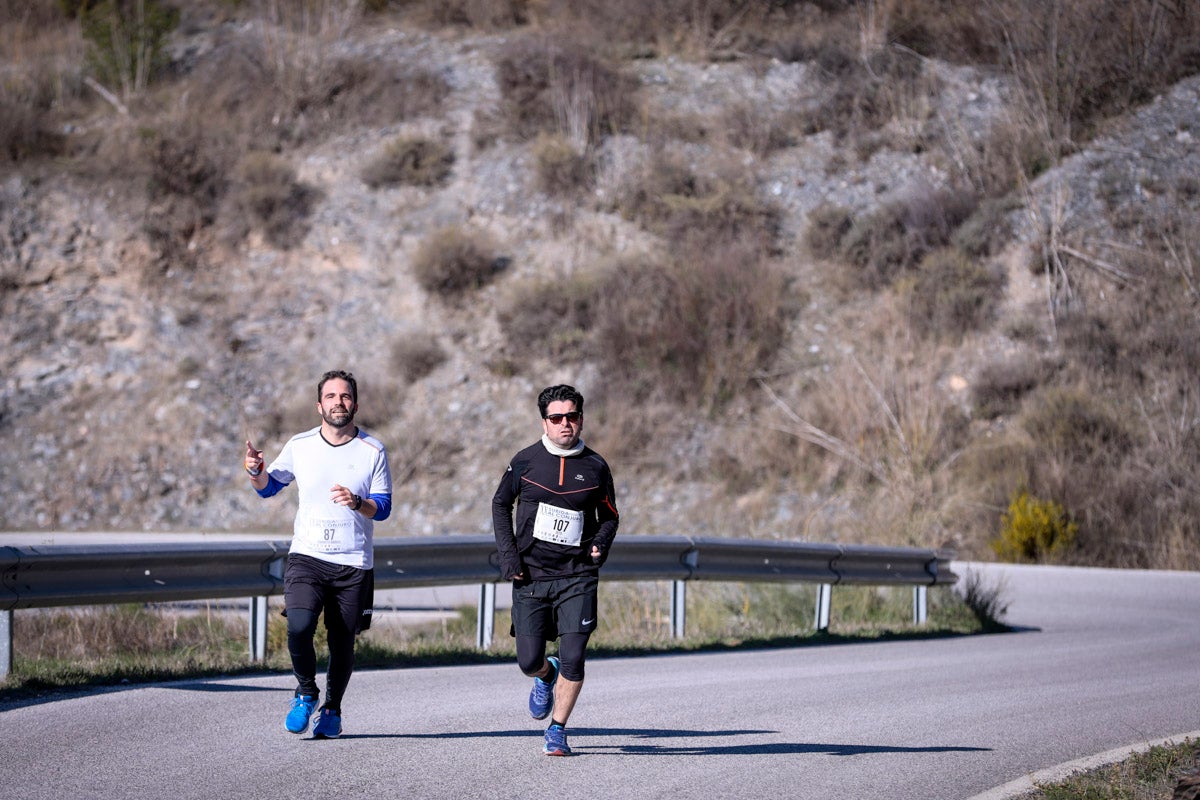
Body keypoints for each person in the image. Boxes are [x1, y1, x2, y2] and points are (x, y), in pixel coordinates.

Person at [244, 369, 392, 739]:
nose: (338, 402)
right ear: (319, 405)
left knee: (341, 642)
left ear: (354, 404)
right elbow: (268, 488)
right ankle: (306, 692)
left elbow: (384, 506)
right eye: (331, 397)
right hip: (307, 555)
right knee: (299, 625)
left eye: (345, 397)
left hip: (353, 562)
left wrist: (358, 503)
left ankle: (333, 709)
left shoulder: (373, 449)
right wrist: (256, 471)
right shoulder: (301, 444)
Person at [491, 384, 619, 756]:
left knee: (574, 657)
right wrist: (509, 556)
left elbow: (610, 516)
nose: (566, 424)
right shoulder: (525, 461)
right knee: (529, 661)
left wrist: (600, 544)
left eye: (573, 417)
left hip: (577, 575)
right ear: (544, 422)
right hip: (531, 574)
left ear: (581, 419)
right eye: (557, 418)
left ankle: (558, 729)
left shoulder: (595, 466)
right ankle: (546, 674)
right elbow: (500, 505)